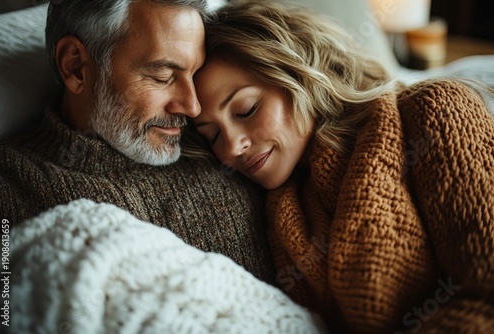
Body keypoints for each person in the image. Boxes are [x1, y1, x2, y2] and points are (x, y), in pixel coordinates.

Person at [186, 1, 494, 333]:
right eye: (212, 134)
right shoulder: (284, 211)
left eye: (246, 109)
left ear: (301, 77)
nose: (232, 147)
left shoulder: (433, 111)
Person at [0, 0, 277, 284]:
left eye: (194, 73)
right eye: (163, 76)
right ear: (76, 66)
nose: (192, 107)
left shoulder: (217, 142)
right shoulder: (7, 185)